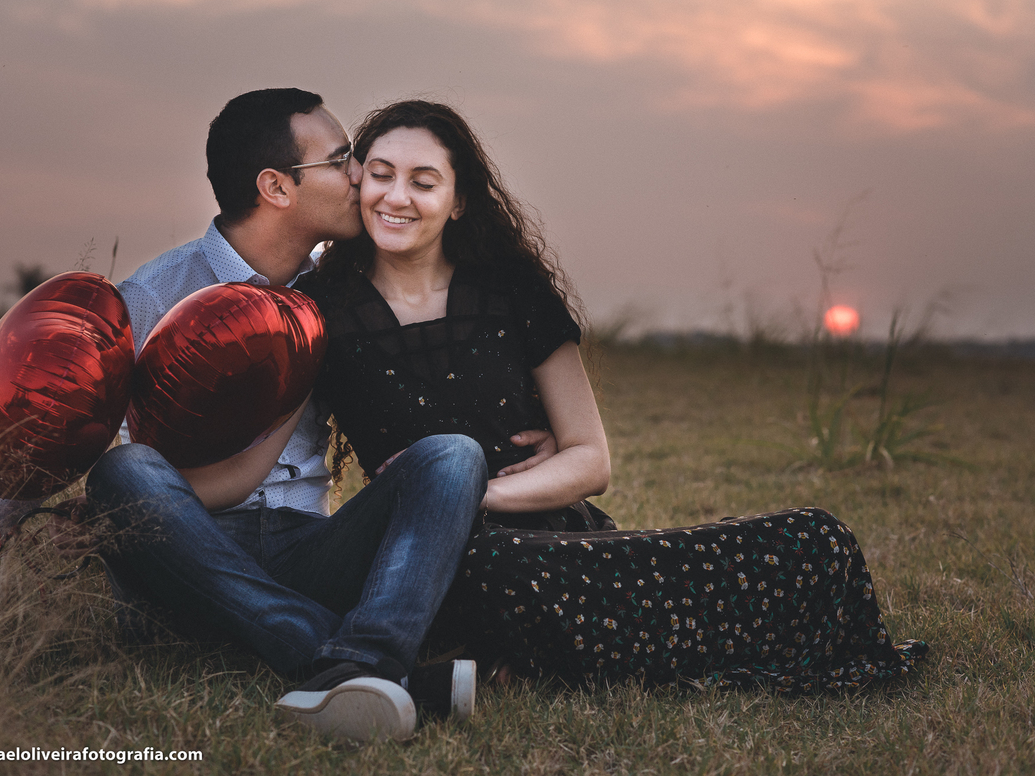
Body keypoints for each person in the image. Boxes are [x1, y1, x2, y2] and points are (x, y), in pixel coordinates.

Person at [0, 89, 561, 742]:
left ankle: (349, 658)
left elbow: (422, 376)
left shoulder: (337, 292)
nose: (361, 176)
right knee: (124, 470)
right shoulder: (156, 293)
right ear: (277, 186)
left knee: (450, 453)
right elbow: (49, 426)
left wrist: (512, 435)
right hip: (185, 552)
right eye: (343, 160)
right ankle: (353, 661)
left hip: (304, 545)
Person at [296, 99, 929, 692]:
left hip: (556, 538)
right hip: (429, 563)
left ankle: (524, 656)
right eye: (380, 175)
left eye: (423, 182)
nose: (396, 197)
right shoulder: (321, 310)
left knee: (813, 538)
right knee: (495, 569)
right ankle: (507, 658)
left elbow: (590, 459)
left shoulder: (510, 288)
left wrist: (463, 494)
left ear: (458, 201)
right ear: (358, 183)